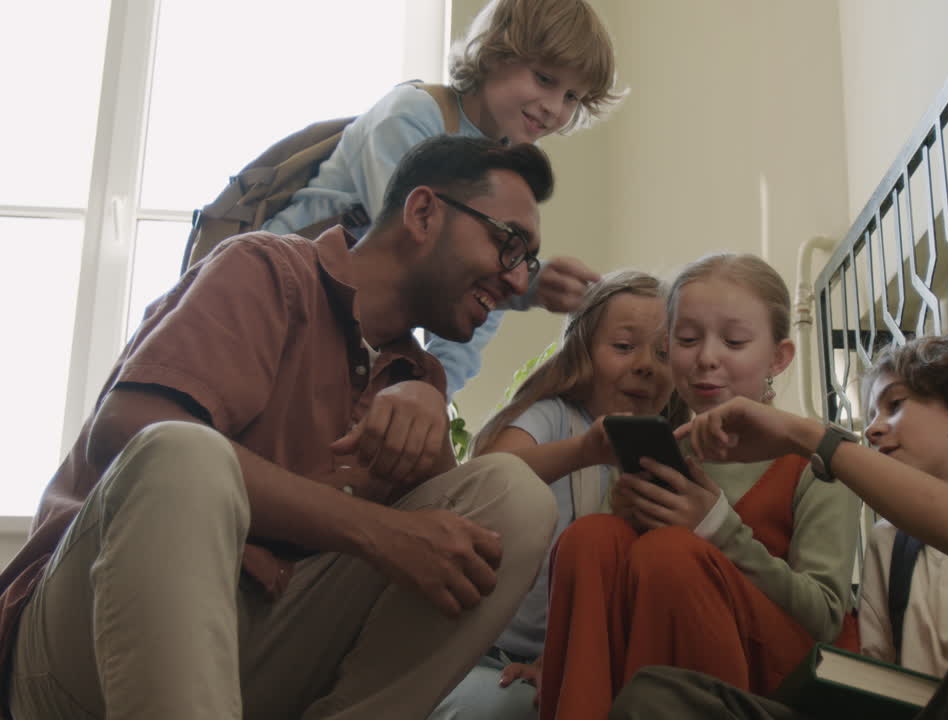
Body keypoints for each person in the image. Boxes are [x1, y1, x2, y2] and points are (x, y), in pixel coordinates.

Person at [0, 136, 565, 720]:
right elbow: (127, 429)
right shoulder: (264, 269)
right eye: (510, 244)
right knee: (183, 452)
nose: (519, 281)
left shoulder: (417, 377)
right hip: (87, 644)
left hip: (259, 656)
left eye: (529, 262)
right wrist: (376, 530)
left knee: (512, 501)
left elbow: (435, 555)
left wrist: (427, 403)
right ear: (423, 213)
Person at [610, 327, 948, 720]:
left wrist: (810, 439)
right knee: (662, 698)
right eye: (866, 417)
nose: (872, 431)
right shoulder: (890, 544)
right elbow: (880, 691)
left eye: (894, 405)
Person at [537, 253, 861, 720]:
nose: (707, 358)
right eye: (687, 340)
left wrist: (715, 527)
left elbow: (826, 618)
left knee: (670, 551)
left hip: (776, 674)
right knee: (591, 538)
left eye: (733, 341)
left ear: (779, 357)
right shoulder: (660, 452)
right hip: (655, 654)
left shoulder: (815, 460)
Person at [264, 0, 624, 400]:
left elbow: (472, 298)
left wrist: (433, 391)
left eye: (573, 97)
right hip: (280, 304)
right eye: (544, 79)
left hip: (344, 329)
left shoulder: (501, 173)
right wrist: (527, 284)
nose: (555, 108)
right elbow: (428, 259)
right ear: (495, 50)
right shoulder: (409, 116)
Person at [429, 269, 679, 720]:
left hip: (581, 660)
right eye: (624, 347)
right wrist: (584, 452)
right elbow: (494, 474)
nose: (645, 364)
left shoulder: (669, 459)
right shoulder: (555, 418)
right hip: (480, 655)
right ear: (583, 352)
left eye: (664, 353)